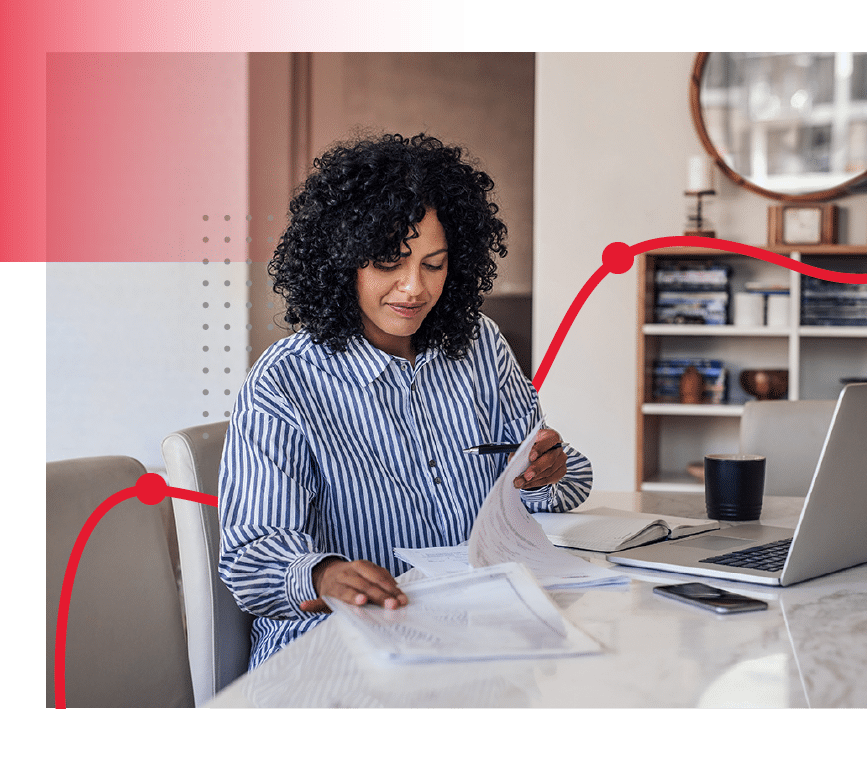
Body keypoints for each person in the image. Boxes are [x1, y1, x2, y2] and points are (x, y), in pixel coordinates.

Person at [218, 133, 593, 668]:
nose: (413, 288)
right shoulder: (285, 381)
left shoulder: (481, 346)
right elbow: (252, 555)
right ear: (341, 260)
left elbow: (539, 494)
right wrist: (323, 574)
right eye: (389, 262)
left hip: (476, 638)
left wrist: (545, 473)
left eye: (433, 265)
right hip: (336, 653)